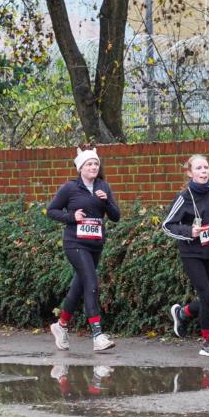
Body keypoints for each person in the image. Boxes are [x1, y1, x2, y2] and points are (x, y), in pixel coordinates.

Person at [47, 145, 121, 352]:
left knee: (79, 286)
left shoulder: (103, 187)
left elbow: (116, 216)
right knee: (91, 283)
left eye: (96, 163)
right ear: (80, 167)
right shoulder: (70, 188)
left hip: (95, 244)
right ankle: (97, 335)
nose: (93, 167)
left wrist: (107, 202)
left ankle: (61, 325)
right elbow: (51, 211)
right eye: (89, 164)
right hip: (75, 244)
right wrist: (72, 217)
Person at [162, 155, 209, 357]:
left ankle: (182, 313)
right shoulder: (183, 197)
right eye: (199, 168)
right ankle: (207, 342)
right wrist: (189, 232)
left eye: (206, 167)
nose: (203, 171)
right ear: (189, 172)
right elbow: (167, 225)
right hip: (191, 253)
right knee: (206, 295)